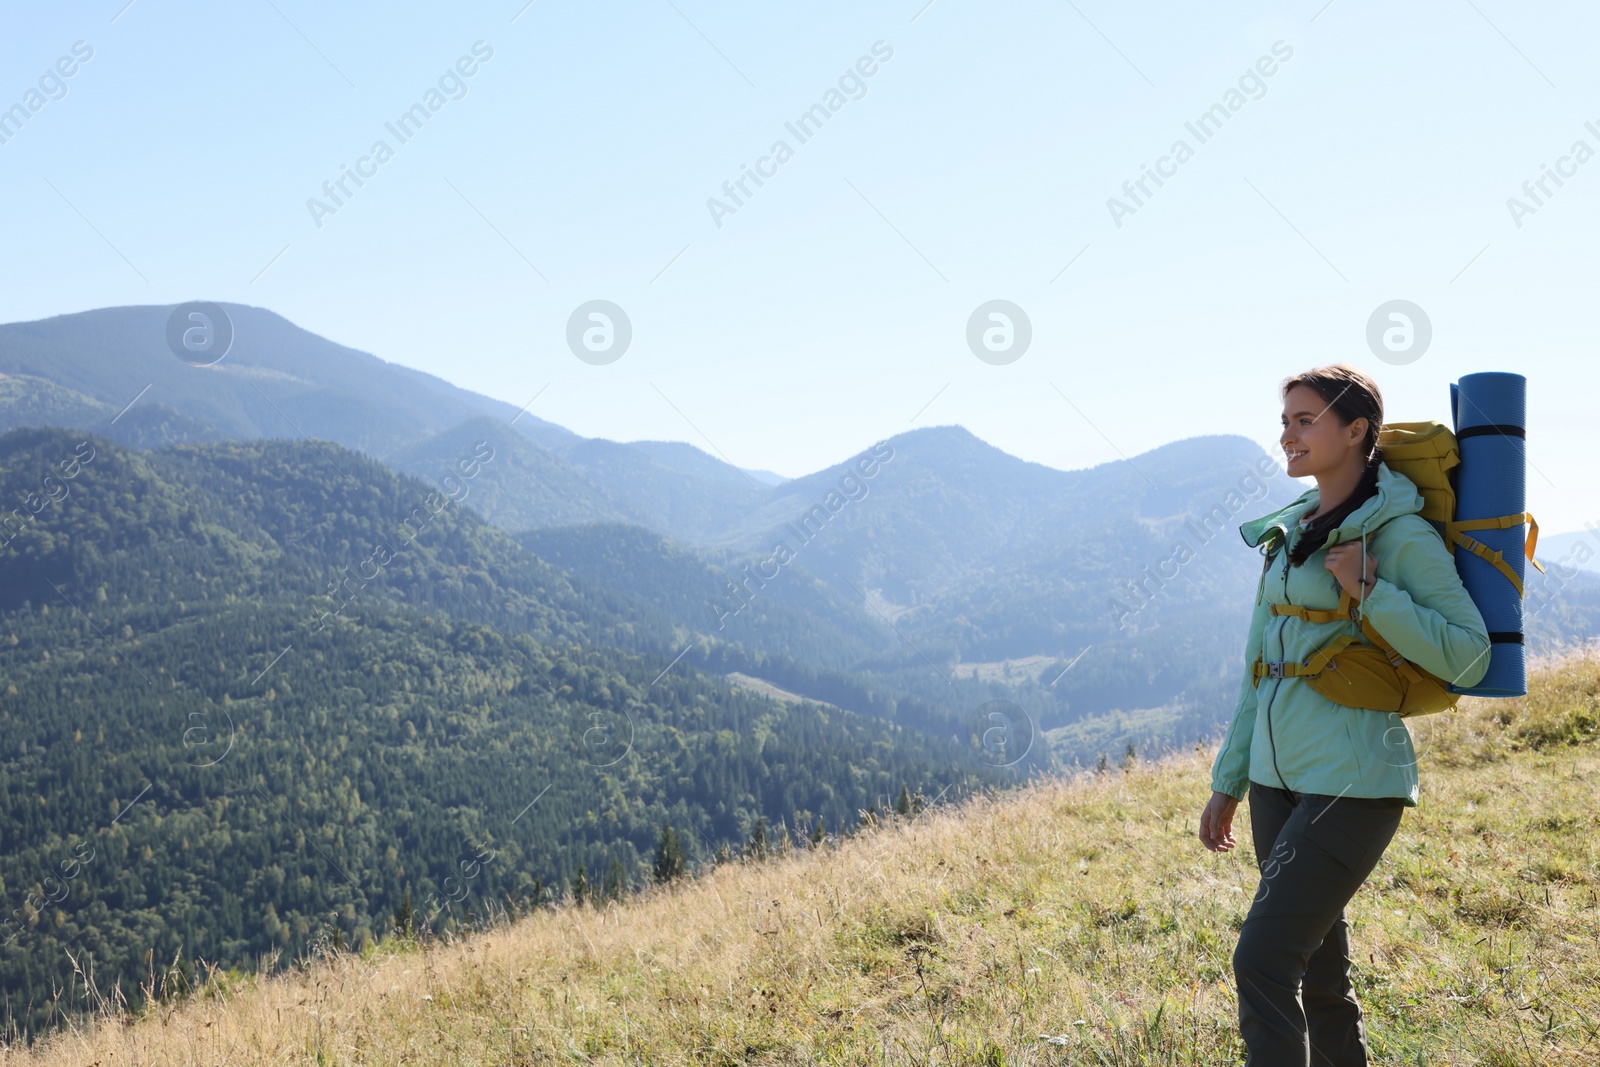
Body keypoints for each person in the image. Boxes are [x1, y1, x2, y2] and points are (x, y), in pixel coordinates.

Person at [1197, 364, 1491, 1065]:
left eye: (1305, 419)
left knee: (1261, 961)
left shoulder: (1399, 532)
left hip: (1353, 783)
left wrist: (1370, 588)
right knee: (1320, 978)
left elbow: (1469, 656)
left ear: (1356, 430)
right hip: (1276, 783)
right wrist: (1229, 779)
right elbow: (1257, 669)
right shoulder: (1288, 531)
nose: (1287, 434)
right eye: (1285, 419)